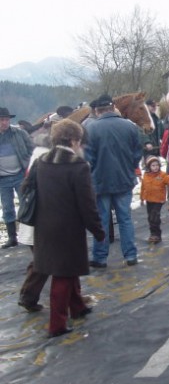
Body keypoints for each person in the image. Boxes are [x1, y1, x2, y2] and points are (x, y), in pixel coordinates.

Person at [31, 119, 105, 337]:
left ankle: (78, 307)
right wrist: (98, 230)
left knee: (68, 269)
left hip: (44, 227)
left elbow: (30, 189)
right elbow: (87, 204)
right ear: (74, 140)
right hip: (68, 229)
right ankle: (57, 324)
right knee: (62, 276)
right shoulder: (78, 166)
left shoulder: (42, 161)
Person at [84, 94, 142, 268]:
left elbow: (89, 158)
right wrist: (129, 168)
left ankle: (100, 257)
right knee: (125, 219)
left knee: (101, 220)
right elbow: (136, 154)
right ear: (112, 108)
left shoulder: (91, 129)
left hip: (100, 182)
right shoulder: (130, 127)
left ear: (97, 110)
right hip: (124, 180)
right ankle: (130, 255)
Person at [17, 127, 54, 312]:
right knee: (45, 260)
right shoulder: (45, 158)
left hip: (36, 217)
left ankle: (28, 297)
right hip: (38, 218)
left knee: (46, 260)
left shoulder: (40, 155)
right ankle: (28, 297)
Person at [0, 107, 34, 249]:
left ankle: (28, 236)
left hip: (20, 174)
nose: (4, 122)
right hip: (2, 178)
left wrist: (29, 165)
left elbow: (31, 148)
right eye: (1, 120)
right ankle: (12, 238)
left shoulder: (19, 133)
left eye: (6, 119)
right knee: (8, 208)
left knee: (25, 205)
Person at [140, 155, 169, 243]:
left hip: (158, 200)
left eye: (157, 165)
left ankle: (157, 235)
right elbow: (143, 187)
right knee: (150, 217)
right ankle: (153, 233)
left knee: (154, 217)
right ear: (149, 167)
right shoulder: (146, 176)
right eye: (153, 165)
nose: (155, 167)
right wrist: (142, 198)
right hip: (149, 200)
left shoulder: (162, 175)